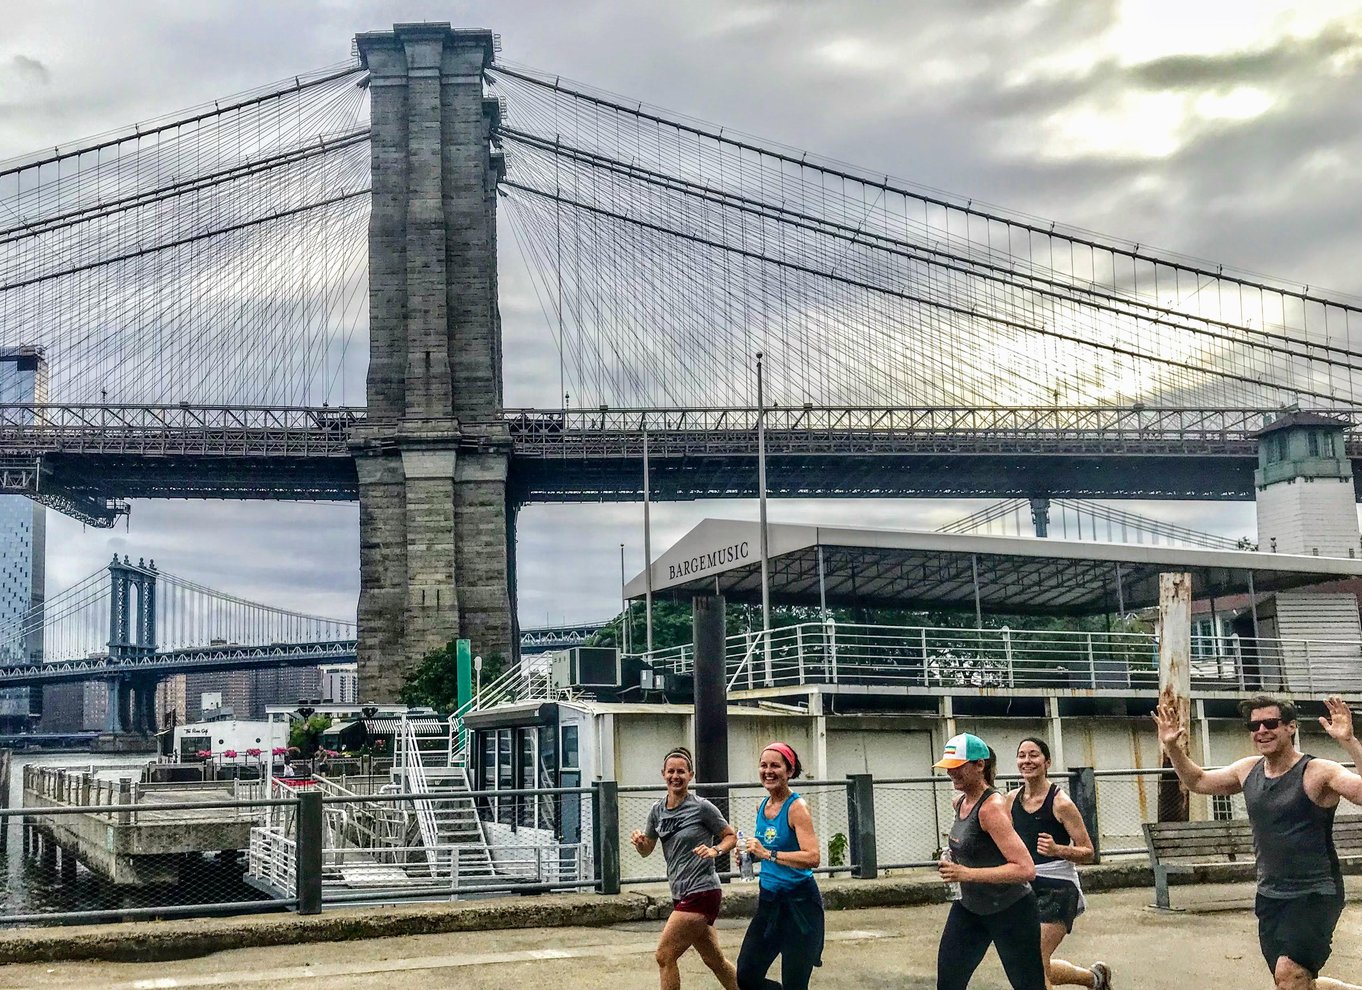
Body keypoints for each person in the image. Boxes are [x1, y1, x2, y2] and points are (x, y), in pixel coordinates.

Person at [1153, 694, 1362, 990]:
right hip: (1270, 894)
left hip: (1315, 893)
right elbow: (1197, 781)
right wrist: (1173, 748)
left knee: (1289, 974)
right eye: (1254, 725)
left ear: (1290, 727)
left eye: (1270, 723)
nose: (1261, 730)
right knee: (1294, 980)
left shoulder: (1318, 772)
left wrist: (1349, 742)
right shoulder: (1247, 769)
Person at [935, 732, 1045, 990]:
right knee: (949, 982)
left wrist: (965, 874)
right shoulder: (960, 801)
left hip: (1011, 910)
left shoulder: (991, 807)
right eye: (948, 768)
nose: (952, 774)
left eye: (958, 767)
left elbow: (1025, 869)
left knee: (1028, 985)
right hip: (970, 908)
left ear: (979, 765)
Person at [1006, 737, 1113, 990]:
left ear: (1047, 762)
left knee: (1034, 960)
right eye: (1022, 755)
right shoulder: (1010, 800)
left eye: (1034, 755)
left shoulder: (1061, 803)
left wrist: (1058, 849)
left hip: (1058, 887)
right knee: (1030, 962)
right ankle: (1095, 979)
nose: (1027, 761)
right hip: (1024, 887)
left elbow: (1088, 851)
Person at [631, 747, 741, 990]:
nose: (675, 776)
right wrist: (641, 844)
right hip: (680, 893)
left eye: (681, 771)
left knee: (664, 955)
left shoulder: (702, 807)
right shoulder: (657, 810)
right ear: (663, 774)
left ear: (691, 775)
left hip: (703, 891)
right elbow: (647, 849)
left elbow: (730, 836)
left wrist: (716, 851)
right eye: (671, 771)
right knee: (714, 960)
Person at [737, 742, 824, 990]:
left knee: (795, 984)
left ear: (789, 771)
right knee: (746, 976)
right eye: (763, 765)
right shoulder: (761, 806)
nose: (768, 771)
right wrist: (751, 856)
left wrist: (768, 854)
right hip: (769, 903)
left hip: (800, 905)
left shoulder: (797, 808)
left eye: (776, 765)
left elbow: (813, 857)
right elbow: (764, 850)